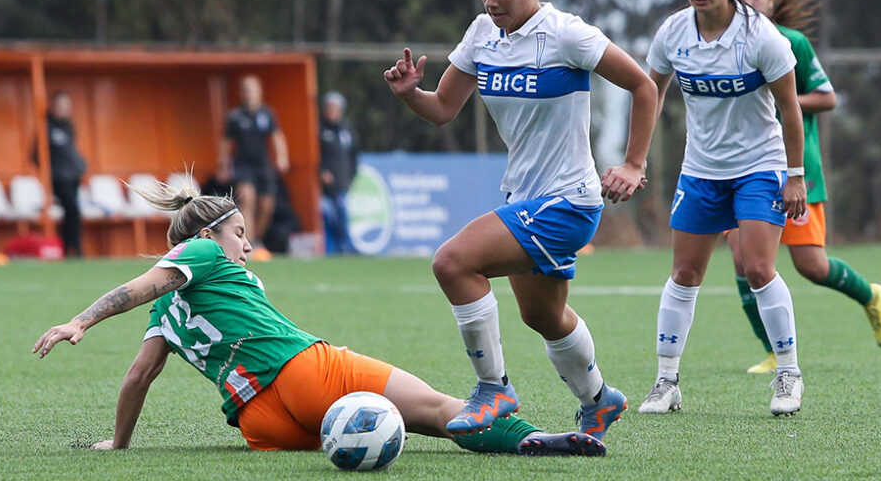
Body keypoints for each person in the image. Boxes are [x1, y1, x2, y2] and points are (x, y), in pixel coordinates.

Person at [31, 183, 607, 457]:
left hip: (262, 426)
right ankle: (536, 439)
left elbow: (138, 377)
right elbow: (143, 283)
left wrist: (119, 443)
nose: (247, 245)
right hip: (302, 372)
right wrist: (81, 319)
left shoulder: (166, 313)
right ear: (206, 236)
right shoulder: (201, 255)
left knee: (415, 426)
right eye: (238, 233)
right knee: (438, 411)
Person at [383, 0, 657, 443]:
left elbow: (643, 86)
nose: (490, 2)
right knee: (543, 315)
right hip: (522, 197)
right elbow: (443, 108)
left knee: (452, 261)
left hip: (570, 201)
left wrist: (634, 164)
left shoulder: (567, 34)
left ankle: (494, 388)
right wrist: (409, 96)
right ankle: (599, 400)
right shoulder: (481, 34)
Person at [637, 0, 808, 417]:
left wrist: (794, 176)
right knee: (684, 274)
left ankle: (789, 374)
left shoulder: (761, 38)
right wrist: (636, 159)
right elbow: (650, 92)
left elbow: (790, 110)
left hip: (759, 167)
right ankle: (666, 383)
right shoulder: (672, 33)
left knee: (757, 268)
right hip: (701, 171)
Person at [727, 0, 881, 374]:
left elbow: (827, 97)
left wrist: (780, 101)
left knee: (811, 266)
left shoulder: (790, 42)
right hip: (742, 168)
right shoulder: (723, 42)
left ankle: (870, 296)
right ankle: (771, 349)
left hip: (795, 169)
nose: (747, 1)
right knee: (743, 260)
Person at [219, 75, 290, 259]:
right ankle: (248, 242)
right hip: (243, 166)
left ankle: (256, 238)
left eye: (252, 89)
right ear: (242, 93)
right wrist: (222, 165)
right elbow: (226, 143)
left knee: (267, 206)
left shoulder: (267, 114)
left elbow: (277, 136)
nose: (249, 94)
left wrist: (282, 157)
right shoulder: (235, 117)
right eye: (246, 90)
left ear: (259, 92)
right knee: (247, 199)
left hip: (264, 167)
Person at [46, 91, 87, 257]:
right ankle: (71, 248)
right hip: (58, 179)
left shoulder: (69, 126)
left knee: (73, 212)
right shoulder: (47, 127)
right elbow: (37, 156)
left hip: (73, 177)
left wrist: (80, 165)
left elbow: (71, 151)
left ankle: (72, 247)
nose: (64, 109)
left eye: (67, 106)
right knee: (71, 210)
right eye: (61, 105)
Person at [319, 91, 359, 254]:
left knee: (342, 212)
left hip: (342, 183)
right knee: (328, 214)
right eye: (328, 107)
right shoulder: (320, 130)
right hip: (324, 186)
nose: (331, 111)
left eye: (334, 108)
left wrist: (350, 176)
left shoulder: (347, 130)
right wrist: (321, 171)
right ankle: (330, 248)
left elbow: (354, 155)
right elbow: (314, 156)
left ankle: (345, 247)